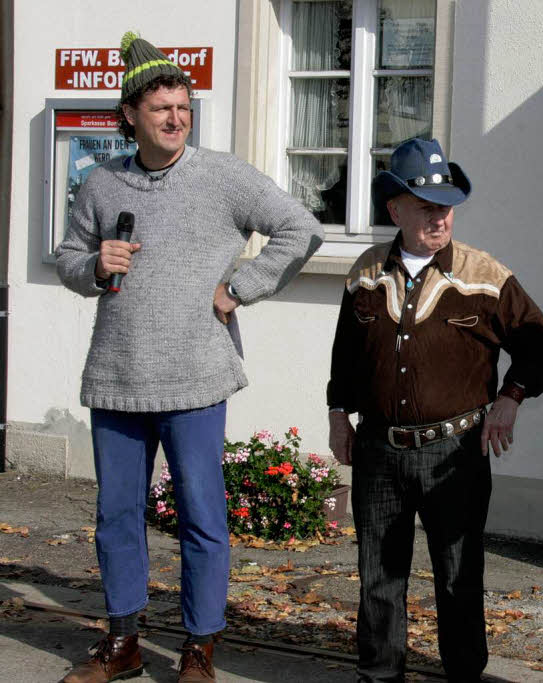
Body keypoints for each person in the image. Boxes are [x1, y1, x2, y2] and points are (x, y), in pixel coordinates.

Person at [55, 32, 323, 683]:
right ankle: (123, 643)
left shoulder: (223, 176)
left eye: (183, 107)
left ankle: (199, 648)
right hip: (118, 377)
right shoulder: (100, 184)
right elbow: (66, 258)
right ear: (129, 115)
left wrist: (241, 287)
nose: (175, 118)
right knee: (117, 515)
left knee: (202, 516)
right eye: (160, 109)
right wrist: (94, 264)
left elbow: (302, 227)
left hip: (196, 378)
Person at [327, 137, 543, 682]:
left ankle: (463, 675)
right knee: (378, 575)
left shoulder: (484, 274)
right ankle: (380, 673)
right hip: (380, 448)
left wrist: (510, 397)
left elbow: (537, 337)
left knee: (457, 574)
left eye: (446, 206)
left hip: (455, 452)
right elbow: (346, 352)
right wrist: (339, 413)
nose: (439, 217)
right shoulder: (364, 270)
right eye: (427, 206)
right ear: (396, 209)